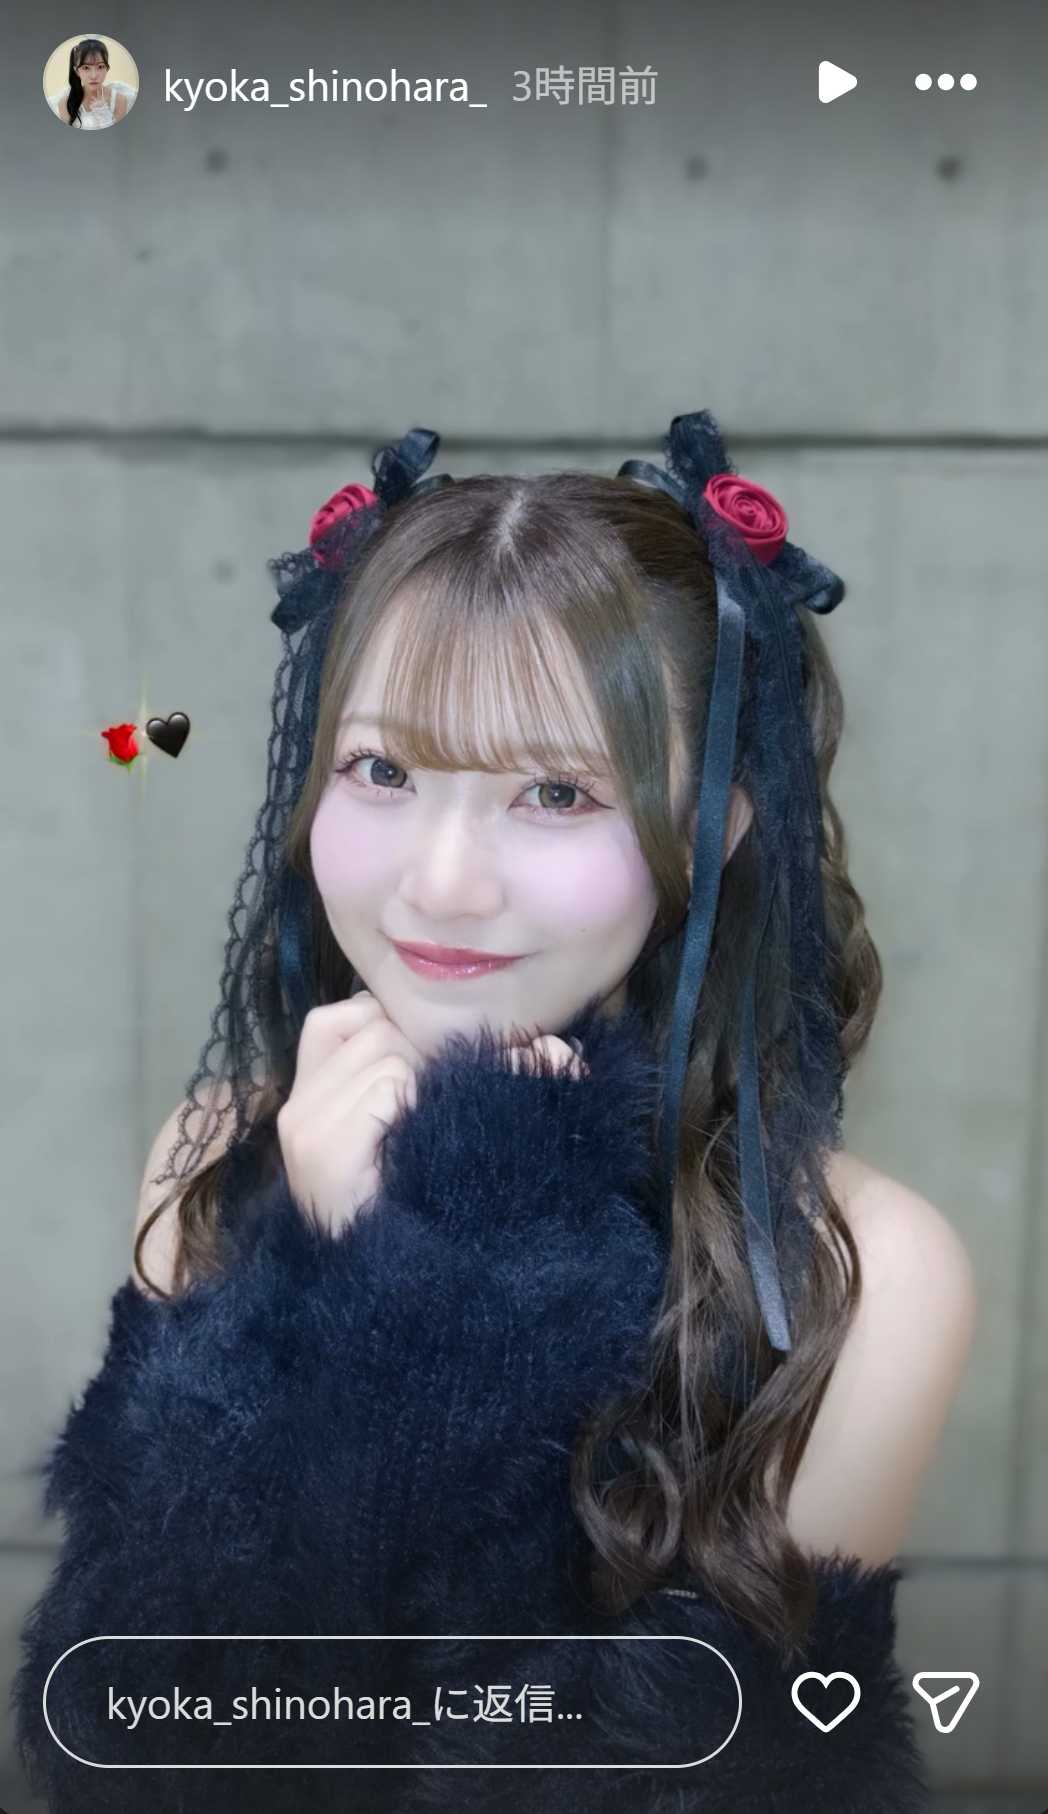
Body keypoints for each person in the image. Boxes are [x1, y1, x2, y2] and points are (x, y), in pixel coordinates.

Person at [13, 412, 976, 1811]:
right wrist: (312, 1271)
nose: (443, 883)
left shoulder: (857, 1268)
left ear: (716, 826)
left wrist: (447, 1274)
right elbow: (136, 1737)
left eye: (557, 791)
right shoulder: (219, 1156)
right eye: (382, 771)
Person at [48, 38, 136, 130]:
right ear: (77, 71)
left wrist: (104, 116)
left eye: (100, 67)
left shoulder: (119, 100)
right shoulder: (65, 103)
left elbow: (117, 136)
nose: (93, 76)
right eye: (86, 68)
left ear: (107, 69)